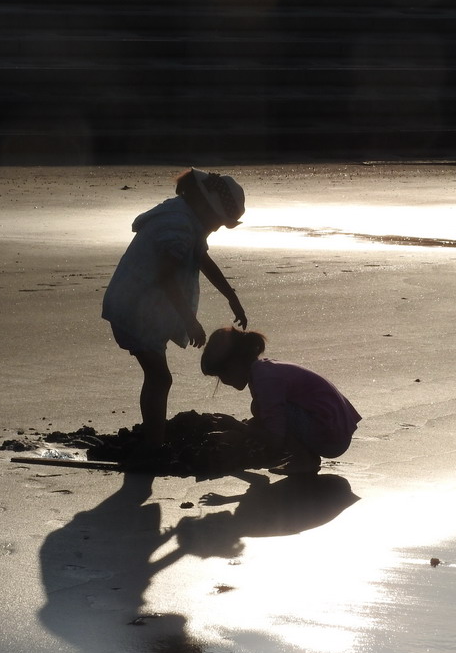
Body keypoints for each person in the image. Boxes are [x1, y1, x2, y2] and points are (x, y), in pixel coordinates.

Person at [102, 168, 248, 467]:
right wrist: (189, 321)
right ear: (207, 208)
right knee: (159, 377)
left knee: (158, 376)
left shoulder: (184, 216)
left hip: (144, 308)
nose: (218, 229)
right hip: (134, 309)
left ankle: (154, 440)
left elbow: (202, 259)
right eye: (219, 222)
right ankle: (153, 446)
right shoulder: (179, 225)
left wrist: (230, 294)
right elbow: (167, 276)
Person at [200, 327, 361, 475]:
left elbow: (275, 437)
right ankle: (306, 456)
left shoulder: (265, 379)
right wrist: (234, 432)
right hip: (335, 428)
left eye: (222, 375)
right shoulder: (263, 370)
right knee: (261, 411)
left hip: (332, 437)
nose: (224, 381)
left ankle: (304, 460)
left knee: (262, 411)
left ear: (234, 364)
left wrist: (237, 426)